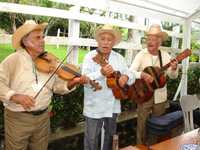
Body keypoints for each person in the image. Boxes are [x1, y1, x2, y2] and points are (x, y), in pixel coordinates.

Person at [0, 20, 88, 150]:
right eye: (37, 38)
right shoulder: (14, 59)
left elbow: (57, 87)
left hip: (43, 118)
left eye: (43, 37)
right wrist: (14, 96)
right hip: (18, 119)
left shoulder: (49, 60)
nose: (42, 41)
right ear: (25, 41)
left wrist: (72, 82)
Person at [81, 24, 135, 150]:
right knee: (91, 139)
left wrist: (126, 77)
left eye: (109, 40)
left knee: (110, 137)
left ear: (114, 43)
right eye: (103, 39)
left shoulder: (119, 58)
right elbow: (84, 80)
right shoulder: (90, 57)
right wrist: (100, 73)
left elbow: (130, 74)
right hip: (94, 107)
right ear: (98, 40)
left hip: (113, 106)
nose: (105, 42)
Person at [129, 24, 179, 144]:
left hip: (160, 96)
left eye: (154, 39)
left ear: (159, 41)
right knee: (142, 125)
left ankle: (153, 146)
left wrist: (173, 69)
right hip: (144, 94)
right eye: (149, 39)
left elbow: (173, 76)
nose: (150, 42)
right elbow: (130, 72)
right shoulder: (141, 54)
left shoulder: (166, 56)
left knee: (158, 126)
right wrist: (142, 75)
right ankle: (140, 146)